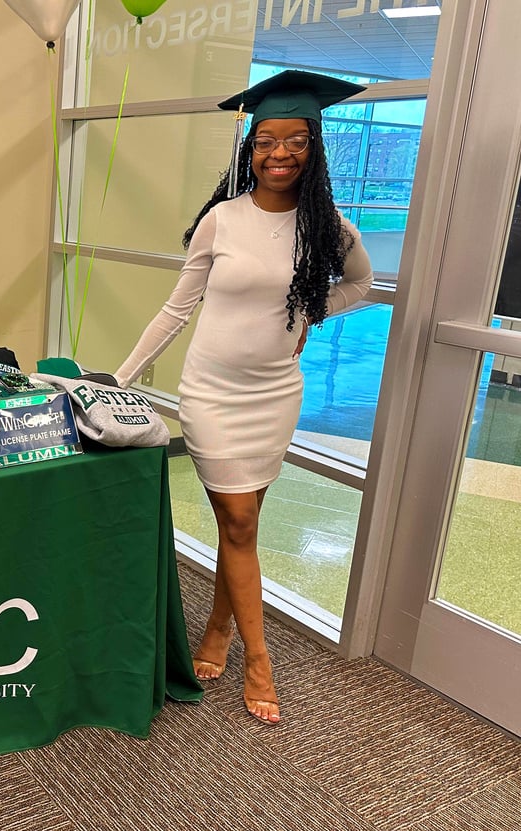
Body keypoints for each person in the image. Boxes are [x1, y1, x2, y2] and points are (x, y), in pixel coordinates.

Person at [114, 71, 374, 725]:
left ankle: (220, 630)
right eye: (265, 141)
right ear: (248, 149)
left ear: (313, 147)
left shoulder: (329, 228)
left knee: (244, 526)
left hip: (274, 395)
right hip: (211, 393)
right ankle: (259, 660)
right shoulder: (220, 220)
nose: (278, 153)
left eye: (293, 140)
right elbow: (177, 310)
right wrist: (120, 378)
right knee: (237, 521)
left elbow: (361, 287)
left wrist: (310, 315)